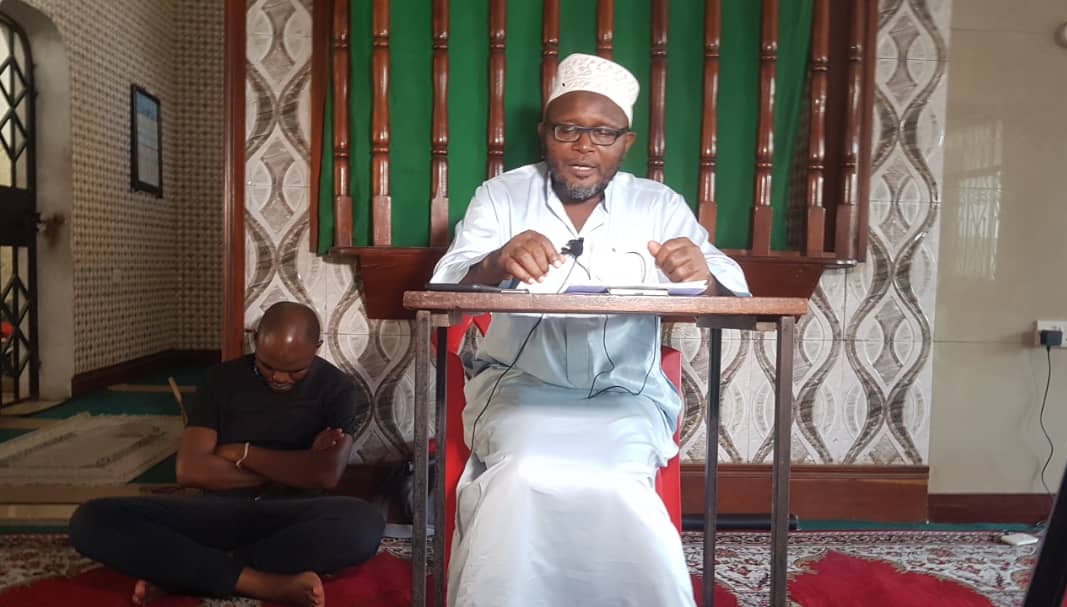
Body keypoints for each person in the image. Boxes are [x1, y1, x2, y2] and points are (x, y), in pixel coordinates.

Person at [430, 54, 750, 607]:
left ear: (626, 143)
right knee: (523, 474)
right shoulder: (502, 196)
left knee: (619, 481)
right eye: (568, 130)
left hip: (626, 394)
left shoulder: (658, 205)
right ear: (544, 133)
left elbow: (732, 299)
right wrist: (495, 262)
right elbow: (443, 290)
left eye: (603, 133)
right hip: (519, 388)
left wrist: (701, 276)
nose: (584, 146)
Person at [69, 301, 384, 607]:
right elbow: (191, 470)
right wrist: (298, 465)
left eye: (295, 371)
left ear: (317, 347)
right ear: (255, 339)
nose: (279, 377)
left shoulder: (338, 389)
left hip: (290, 516)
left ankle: (183, 573)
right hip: (218, 511)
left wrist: (241, 453)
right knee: (91, 519)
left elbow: (325, 475)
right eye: (267, 366)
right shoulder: (220, 380)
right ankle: (264, 583)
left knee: (363, 524)